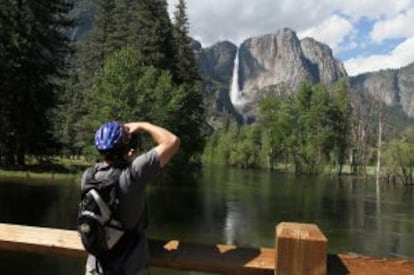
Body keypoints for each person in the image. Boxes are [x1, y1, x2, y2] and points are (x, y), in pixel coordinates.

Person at [82, 120, 180, 275]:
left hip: (95, 268)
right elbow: (172, 141)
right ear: (127, 147)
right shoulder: (132, 175)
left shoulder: (88, 176)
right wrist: (143, 125)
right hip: (128, 269)